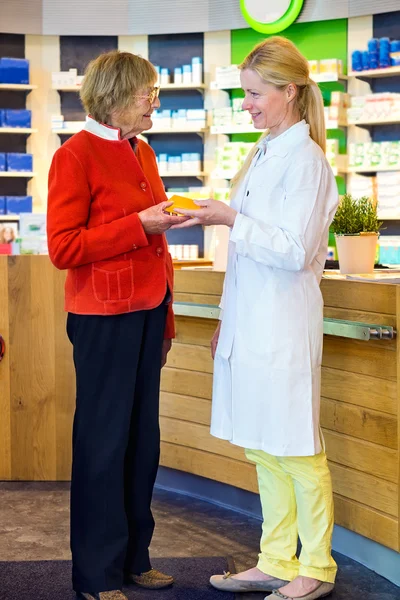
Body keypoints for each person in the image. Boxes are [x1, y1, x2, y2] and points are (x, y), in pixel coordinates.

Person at [174, 37, 339, 600]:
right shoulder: (268, 149)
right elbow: (249, 254)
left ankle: (315, 568)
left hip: (286, 322)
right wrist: (229, 315)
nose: (245, 104)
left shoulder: (307, 160)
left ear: (289, 92)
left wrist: (227, 217)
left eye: (253, 94)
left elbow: (294, 249)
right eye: (244, 94)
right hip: (253, 318)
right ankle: (275, 558)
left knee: (296, 446)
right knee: (265, 446)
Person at [47, 50, 189, 600]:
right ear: (115, 98)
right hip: (103, 318)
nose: (154, 100)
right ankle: (96, 576)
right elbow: (64, 248)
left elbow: (155, 248)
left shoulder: (144, 151)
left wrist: (167, 319)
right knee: (103, 445)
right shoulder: (74, 156)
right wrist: (139, 225)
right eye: (146, 93)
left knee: (142, 443)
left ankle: (136, 559)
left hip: (148, 311)